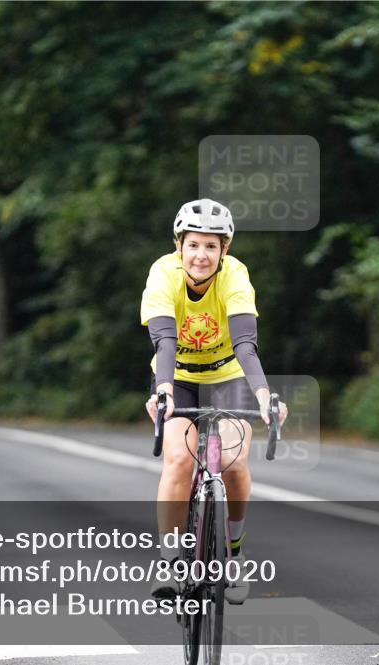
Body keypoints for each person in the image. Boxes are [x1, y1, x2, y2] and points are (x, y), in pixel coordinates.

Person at [141, 198, 287, 605]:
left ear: (225, 250)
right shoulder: (162, 274)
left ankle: (234, 554)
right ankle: (170, 561)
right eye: (194, 245)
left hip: (228, 375)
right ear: (178, 246)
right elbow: (164, 340)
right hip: (179, 377)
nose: (201, 255)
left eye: (211, 246)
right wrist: (164, 389)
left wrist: (263, 394)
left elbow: (245, 343)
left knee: (234, 461)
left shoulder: (236, 276)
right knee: (179, 460)